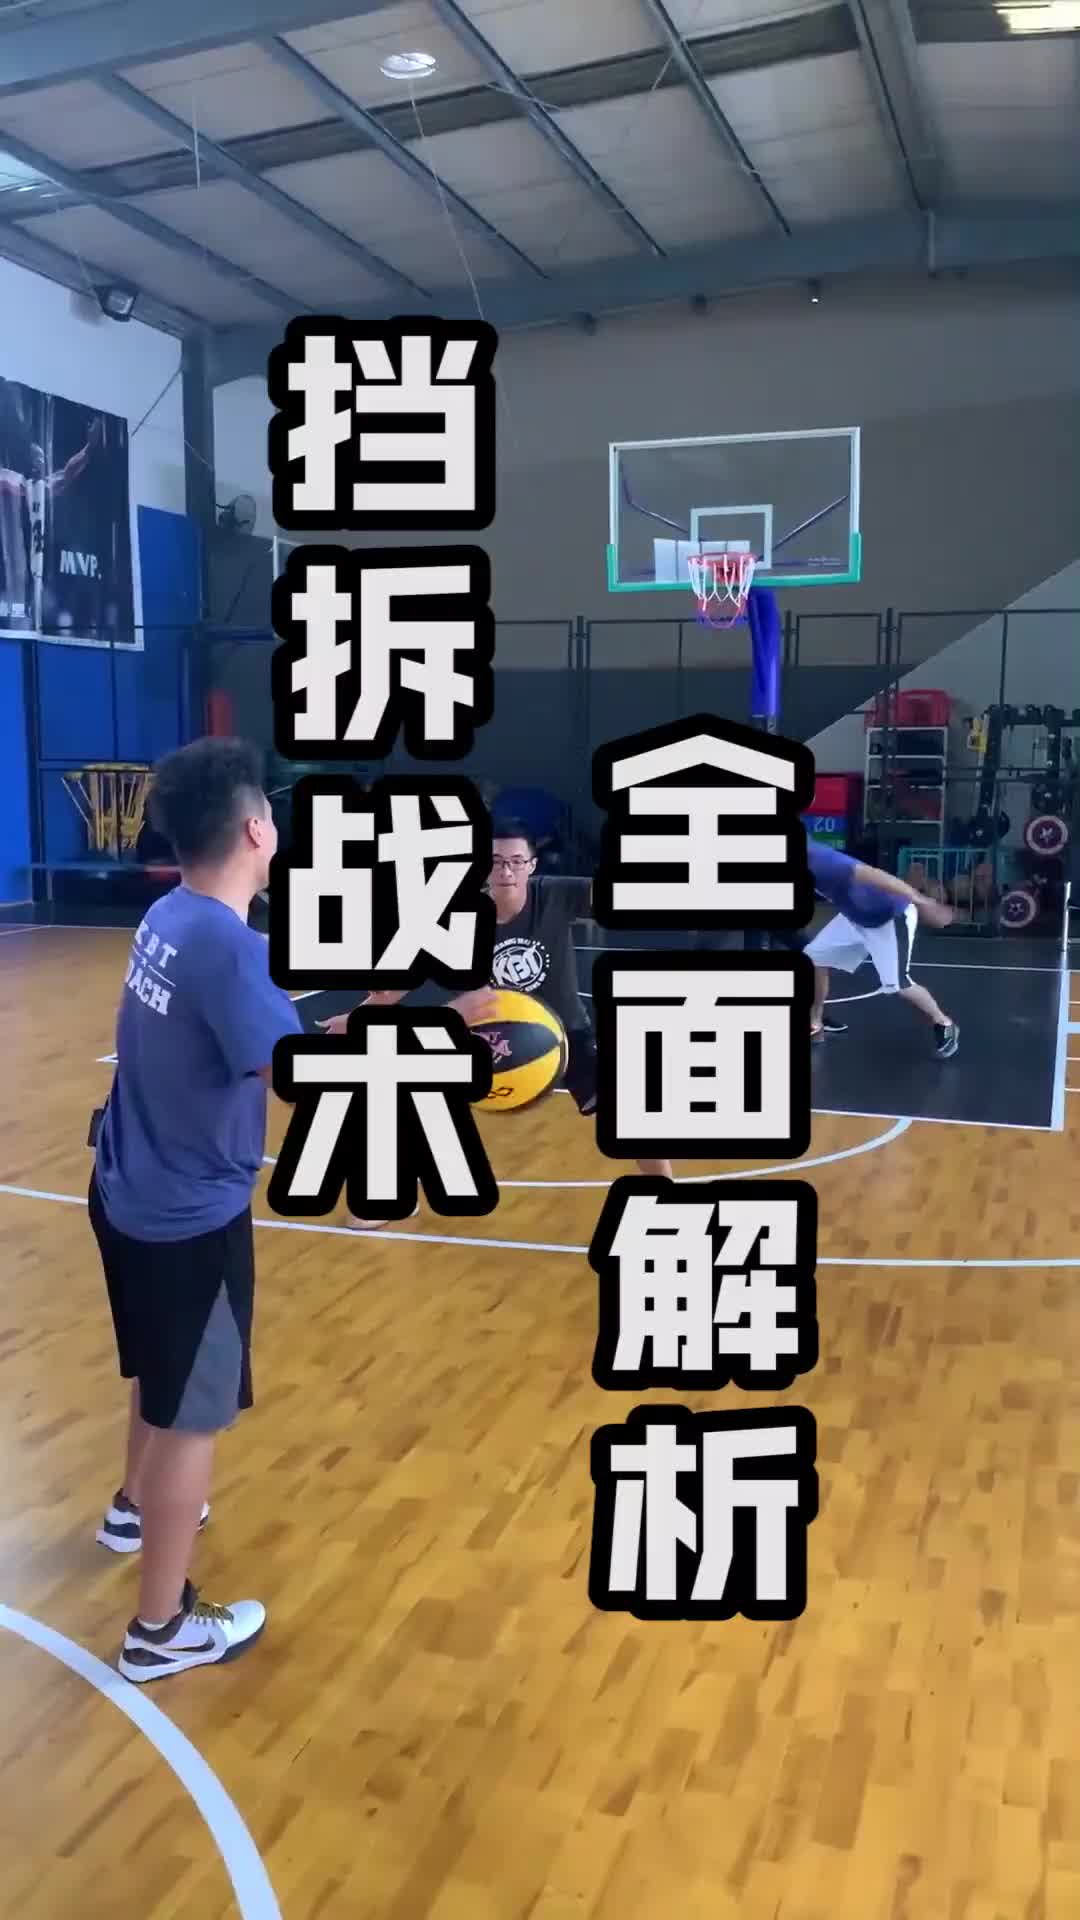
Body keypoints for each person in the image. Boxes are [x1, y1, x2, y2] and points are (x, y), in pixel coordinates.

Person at [90, 737, 302, 1682]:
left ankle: (132, 1507)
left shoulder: (171, 914)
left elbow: (257, 1040)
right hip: (188, 1219)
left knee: (159, 1367)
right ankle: (159, 1630)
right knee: (193, 1420)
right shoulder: (228, 946)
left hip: (125, 1186)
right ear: (255, 830)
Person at [319, 820, 673, 1228]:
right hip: (485, 1035)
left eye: (516, 861)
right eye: (496, 861)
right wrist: (359, 1018)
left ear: (532, 865)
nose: (507, 871)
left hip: (563, 1034)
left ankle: (664, 1193)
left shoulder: (556, 894)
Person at [802, 840, 959, 1055]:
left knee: (899, 984)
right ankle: (815, 1022)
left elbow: (875, 875)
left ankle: (943, 1022)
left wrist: (923, 901)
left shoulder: (822, 860)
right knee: (814, 957)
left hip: (889, 917)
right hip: (854, 916)